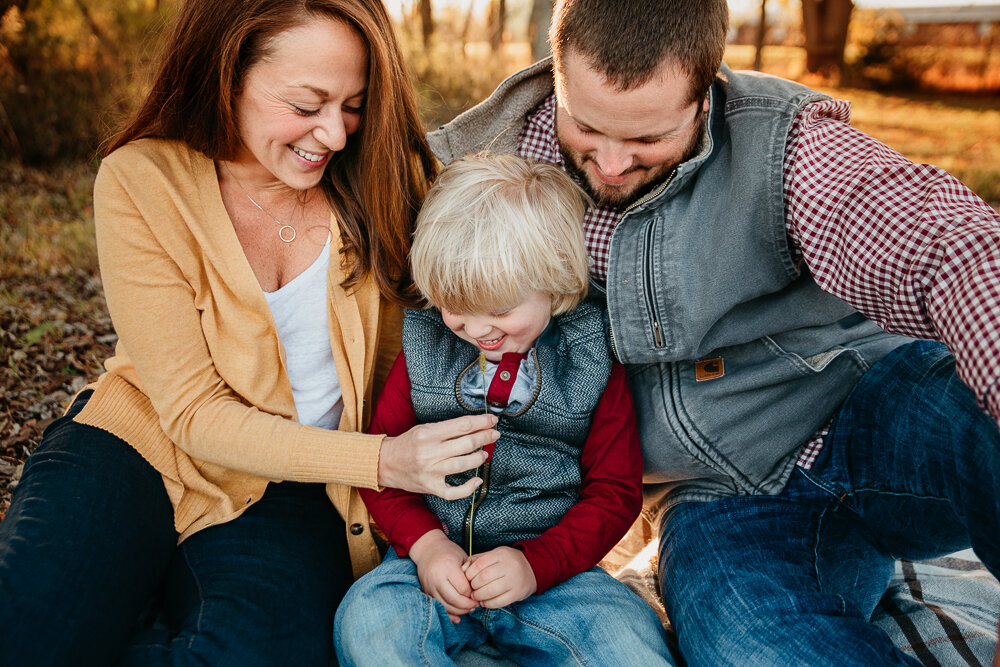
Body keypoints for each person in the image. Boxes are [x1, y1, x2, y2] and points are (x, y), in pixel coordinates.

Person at [423, 0, 1000, 665]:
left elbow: (953, 248)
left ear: (706, 96)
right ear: (556, 76)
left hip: (870, 409)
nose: (610, 163)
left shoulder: (784, 144)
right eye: (584, 126)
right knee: (753, 652)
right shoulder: (482, 171)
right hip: (715, 501)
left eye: (646, 140)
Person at [0, 0, 499, 664]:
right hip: (136, 448)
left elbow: (504, 245)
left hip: (296, 485)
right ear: (228, 71)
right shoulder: (143, 179)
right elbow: (193, 412)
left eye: (353, 104)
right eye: (306, 104)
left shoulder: (388, 183)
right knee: (28, 632)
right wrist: (385, 460)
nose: (335, 134)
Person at [333, 154, 675, 666]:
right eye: (454, 308)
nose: (475, 330)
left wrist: (537, 564)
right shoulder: (426, 343)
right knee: (369, 621)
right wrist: (425, 547)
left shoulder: (592, 355)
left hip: (554, 573)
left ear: (556, 288)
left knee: (631, 644)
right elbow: (384, 466)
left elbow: (615, 491)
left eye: (498, 311)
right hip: (431, 566)